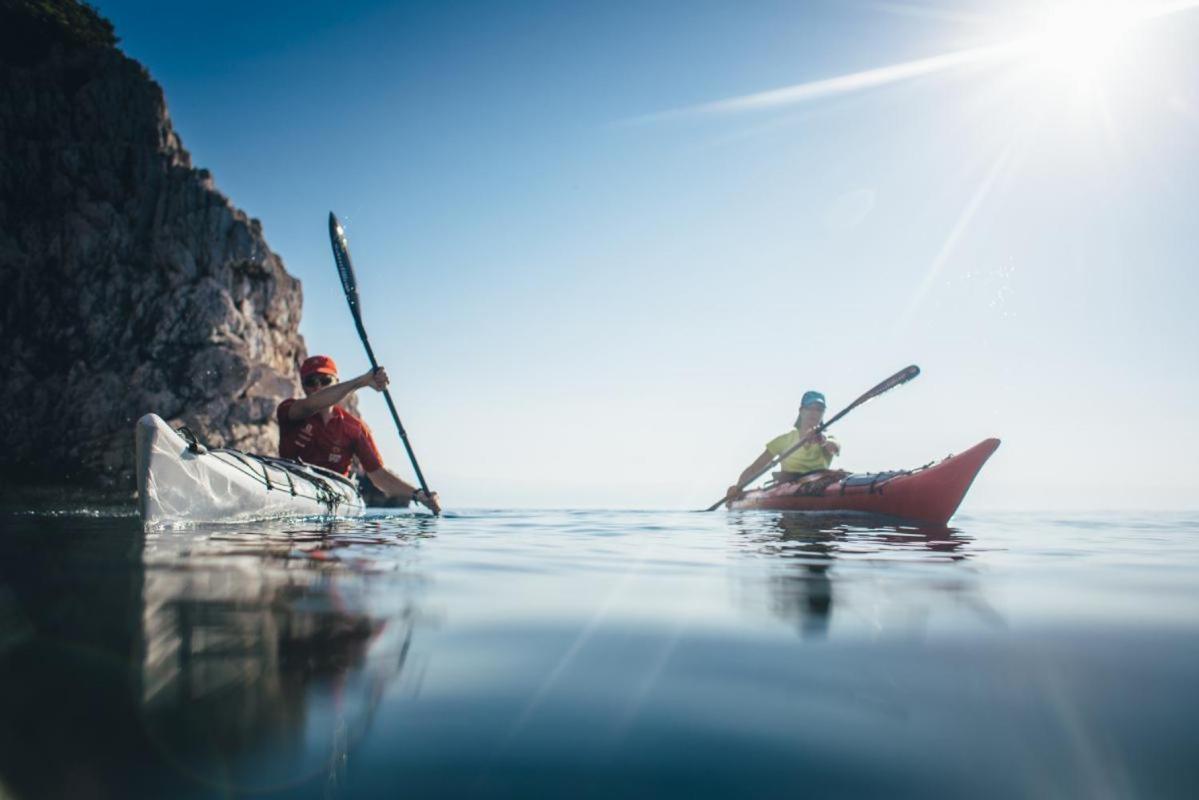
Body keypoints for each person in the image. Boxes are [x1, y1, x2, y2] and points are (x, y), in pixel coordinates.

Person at [277, 355, 440, 513]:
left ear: (337, 382)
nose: (318, 387)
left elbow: (379, 476)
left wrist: (418, 495)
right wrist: (362, 381)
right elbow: (311, 404)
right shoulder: (290, 410)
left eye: (325, 381)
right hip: (292, 485)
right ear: (302, 385)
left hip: (334, 493)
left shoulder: (354, 427)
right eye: (310, 382)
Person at [725, 390, 841, 505]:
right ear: (801, 411)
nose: (814, 412)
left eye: (819, 409)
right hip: (789, 485)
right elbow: (755, 467)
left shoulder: (828, 438)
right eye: (810, 408)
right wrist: (739, 486)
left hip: (819, 482)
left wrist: (822, 441)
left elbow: (834, 449)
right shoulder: (784, 440)